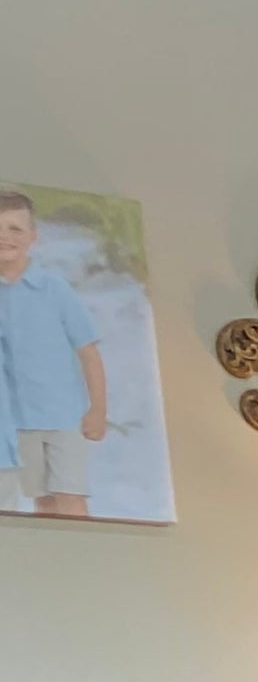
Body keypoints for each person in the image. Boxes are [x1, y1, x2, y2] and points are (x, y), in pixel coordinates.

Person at [0, 191, 108, 518]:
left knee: (70, 496)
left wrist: (98, 410)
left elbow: (88, 352)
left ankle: (84, 548)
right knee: (43, 501)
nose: (5, 237)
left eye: (15, 229)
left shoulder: (54, 288)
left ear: (32, 237)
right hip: (18, 422)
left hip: (64, 418)